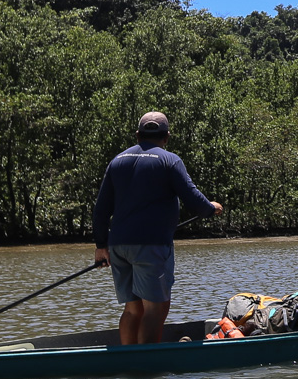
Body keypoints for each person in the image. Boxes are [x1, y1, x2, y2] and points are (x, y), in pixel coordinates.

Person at [92, 112, 222, 344]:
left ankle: (128, 360)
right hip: (150, 246)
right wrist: (211, 208)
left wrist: (101, 246)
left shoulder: (117, 161)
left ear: (138, 135)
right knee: (155, 309)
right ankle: (146, 366)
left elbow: (101, 209)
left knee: (133, 309)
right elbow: (194, 200)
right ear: (167, 137)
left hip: (118, 246)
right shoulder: (170, 160)